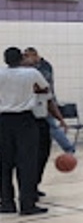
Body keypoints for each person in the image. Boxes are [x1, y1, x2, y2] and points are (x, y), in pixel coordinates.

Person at [0, 46, 49, 214]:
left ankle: (6, 202)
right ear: (21, 58)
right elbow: (45, 88)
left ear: (5, 60)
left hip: (4, 120)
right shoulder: (31, 73)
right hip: (25, 120)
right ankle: (27, 204)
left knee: (4, 164)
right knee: (27, 163)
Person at [25, 51, 68, 200]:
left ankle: (33, 186)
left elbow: (49, 98)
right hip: (25, 119)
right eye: (24, 56)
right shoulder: (21, 76)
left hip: (41, 117)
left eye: (28, 55)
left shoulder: (43, 71)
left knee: (42, 155)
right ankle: (26, 191)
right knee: (26, 158)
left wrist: (60, 118)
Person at [24, 48, 72, 156]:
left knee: (52, 126)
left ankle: (69, 148)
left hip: (45, 102)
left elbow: (41, 85)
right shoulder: (30, 68)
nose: (25, 59)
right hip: (33, 103)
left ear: (34, 55)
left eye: (27, 56)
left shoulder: (45, 67)